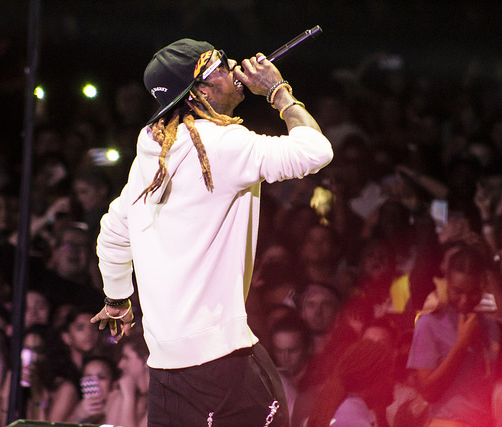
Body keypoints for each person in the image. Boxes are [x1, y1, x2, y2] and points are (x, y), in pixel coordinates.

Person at [90, 39, 333, 426]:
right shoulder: (222, 145)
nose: (233, 65)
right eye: (218, 65)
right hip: (224, 362)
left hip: (166, 373)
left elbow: (113, 232)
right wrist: (278, 91)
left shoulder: (153, 154)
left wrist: (117, 299)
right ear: (198, 92)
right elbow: (315, 152)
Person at [406, 246, 501, 427]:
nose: (465, 300)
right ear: (447, 283)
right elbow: (428, 392)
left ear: (484, 286)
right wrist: (462, 344)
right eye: (458, 291)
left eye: (474, 292)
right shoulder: (429, 323)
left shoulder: (491, 327)